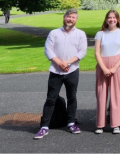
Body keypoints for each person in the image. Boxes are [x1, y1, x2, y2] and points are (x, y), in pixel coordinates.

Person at [34, 9, 87, 139]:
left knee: (72, 97)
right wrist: (60, 63)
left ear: (76, 20)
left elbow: (82, 52)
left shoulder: (80, 34)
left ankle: (71, 123)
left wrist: (68, 63)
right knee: (51, 99)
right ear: (64, 17)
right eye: (69, 17)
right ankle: (44, 126)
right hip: (55, 71)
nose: (70, 19)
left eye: (73, 17)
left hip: (72, 70)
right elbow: (48, 50)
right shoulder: (54, 33)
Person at [94, 10, 120, 134]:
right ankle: (100, 124)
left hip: (116, 64)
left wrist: (114, 68)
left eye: (114, 17)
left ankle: (116, 124)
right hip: (102, 64)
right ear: (106, 19)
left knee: (116, 94)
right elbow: (97, 52)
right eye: (109, 17)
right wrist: (104, 68)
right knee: (101, 94)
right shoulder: (100, 34)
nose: (112, 20)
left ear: (117, 19)